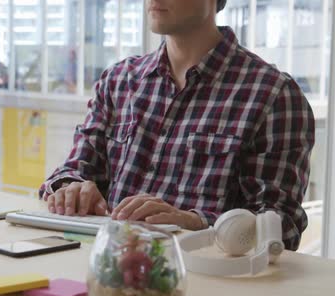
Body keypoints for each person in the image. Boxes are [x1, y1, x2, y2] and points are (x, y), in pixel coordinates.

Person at [39, 0, 315, 250]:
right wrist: (71, 188)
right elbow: (73, 170)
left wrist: (195, 223)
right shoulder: (119, 81)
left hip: (209, 285)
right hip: (110, 272)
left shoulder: (273, 95)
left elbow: (281, 227)